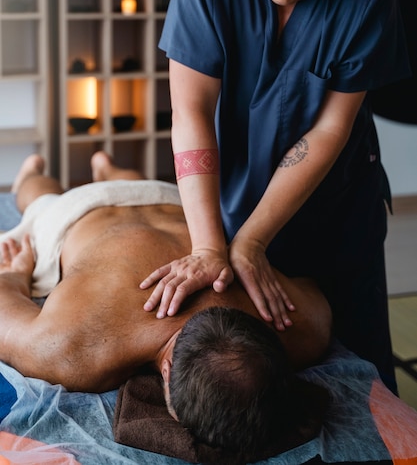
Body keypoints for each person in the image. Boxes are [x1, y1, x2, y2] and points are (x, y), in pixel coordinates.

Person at [139, 0, 411, 395]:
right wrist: (214, 248)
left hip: (339, 207)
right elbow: (192, 112)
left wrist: (254, 242)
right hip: (235, 196)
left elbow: (330, 129)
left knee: (366, 370)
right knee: (255, 370)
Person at [0, 152, 332, 460]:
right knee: (36, 199)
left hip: (173, 200)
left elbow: (310, 288)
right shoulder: (67, 351)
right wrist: (14, 276)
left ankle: (101, 168)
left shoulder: (304, 326)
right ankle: (34, 173)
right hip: (78, 214)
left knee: (114, 184)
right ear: (167, 372)